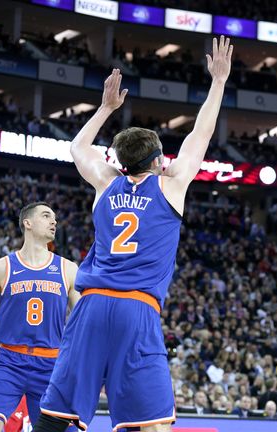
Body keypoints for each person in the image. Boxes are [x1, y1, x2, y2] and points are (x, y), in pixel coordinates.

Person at [32, 36, 233, 432]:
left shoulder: (105, 183)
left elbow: (77, 147)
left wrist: (106, 108)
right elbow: (201, 135)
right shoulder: (170, 187)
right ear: (158, 160)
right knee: (152, 424)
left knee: (56, 417)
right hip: (136, 309)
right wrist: (219, 82)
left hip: (90, 307)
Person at [0, 202, 80, 431]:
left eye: (55, 218)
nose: (54, 221)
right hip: (9, 361)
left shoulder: (68, 269)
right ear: (27, 223)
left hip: (51, 364)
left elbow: (83, 321)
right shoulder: (1, 267)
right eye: (46, 216)